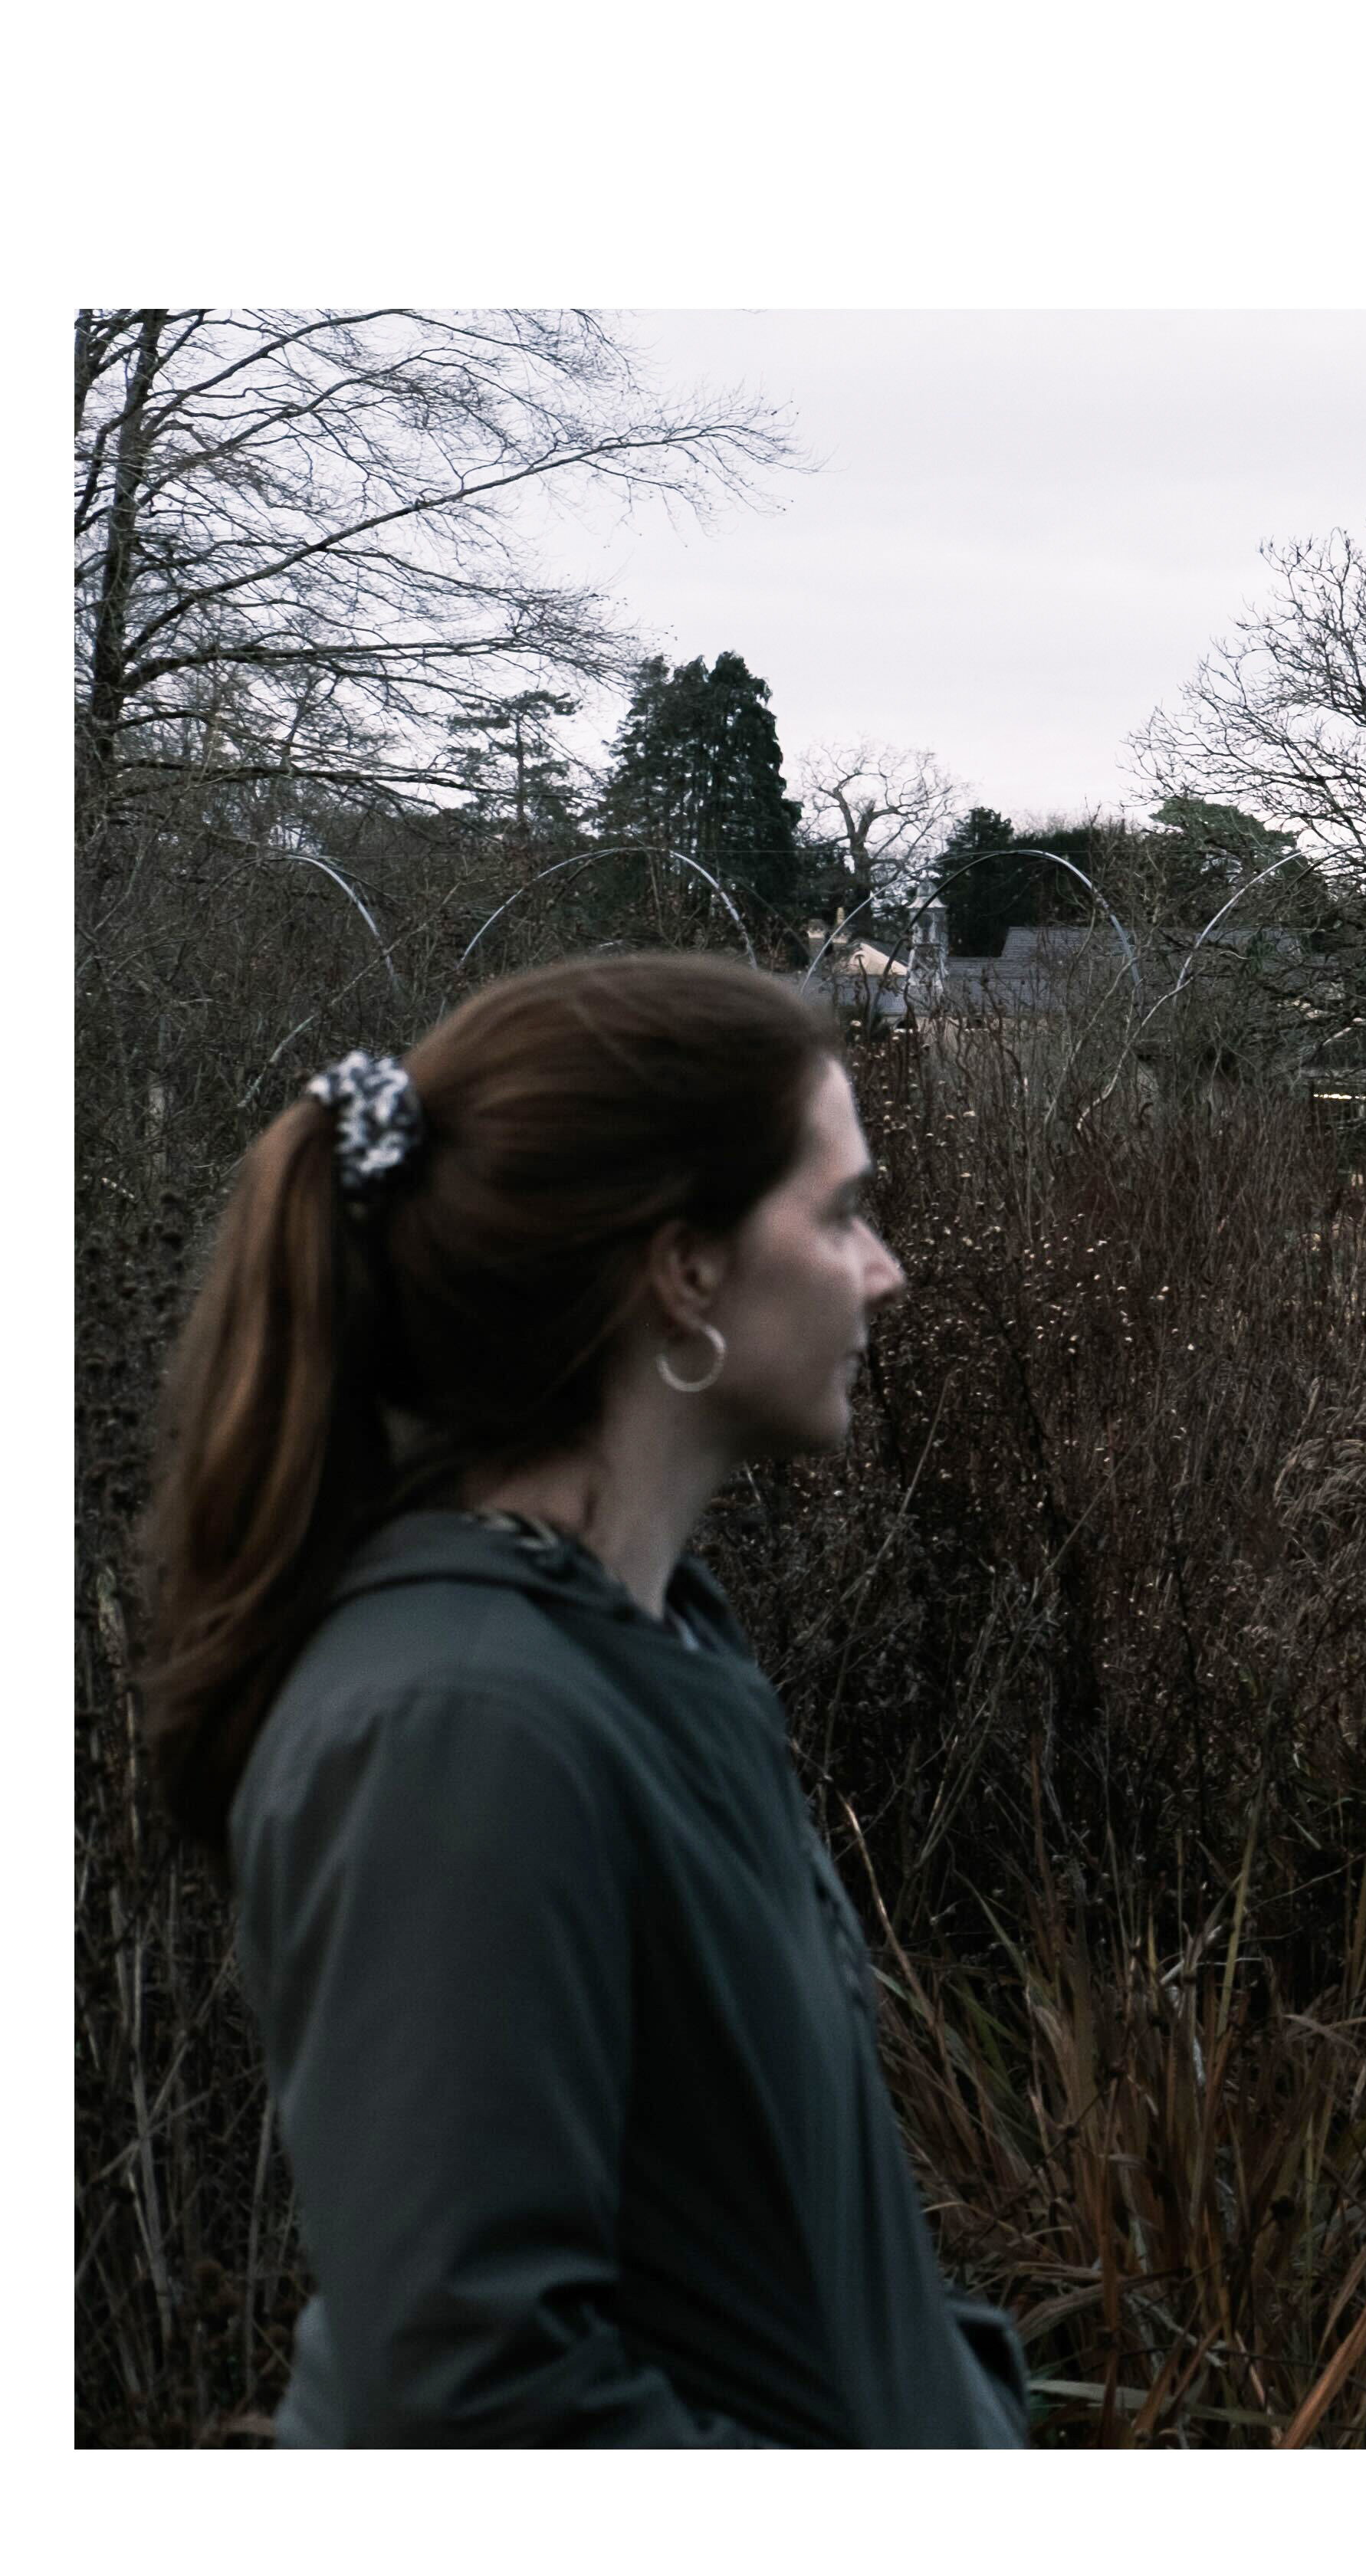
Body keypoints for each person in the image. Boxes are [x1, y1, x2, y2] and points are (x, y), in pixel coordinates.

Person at [146, 951, 1027, 2446]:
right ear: (682, 1268)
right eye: (837, 1213)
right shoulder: (459, 1729)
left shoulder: (652, 1642)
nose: (884, 1269)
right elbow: (482, 2395)